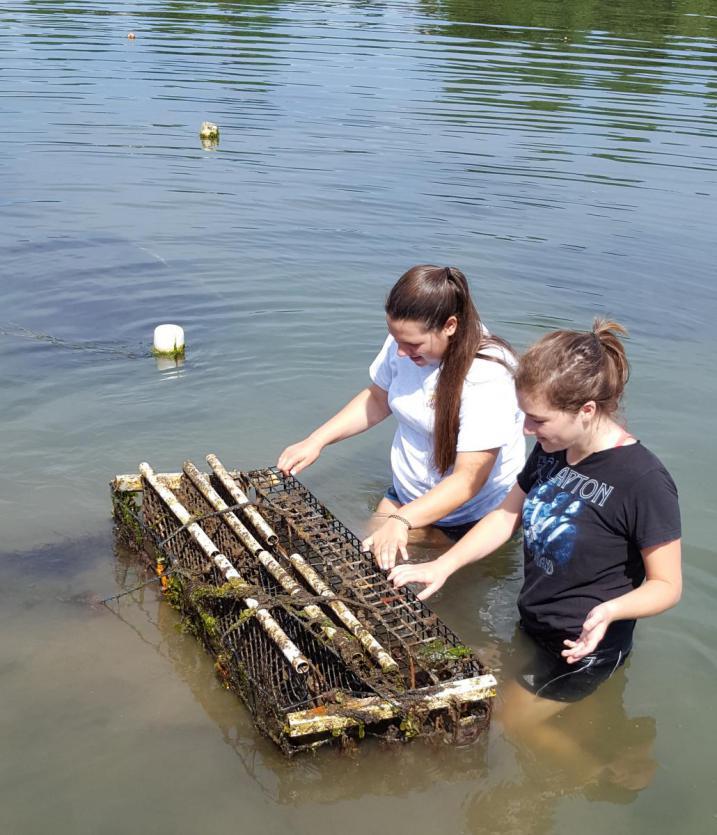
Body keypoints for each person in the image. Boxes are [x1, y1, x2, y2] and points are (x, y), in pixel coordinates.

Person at [390, 320, 682, 722]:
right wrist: (443, 564)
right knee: (498, 705)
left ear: (586, 410)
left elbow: (667, 586)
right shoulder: (553, 449)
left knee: (514, 725)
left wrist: (610, 611)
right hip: (534, 622)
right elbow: (506, 516)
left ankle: (605, 770)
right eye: (524, 415)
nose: (526, 430)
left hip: (589, 644)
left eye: (538, 420)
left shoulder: (643, 481)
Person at [277, 264, 525, 569]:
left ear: (450, 325)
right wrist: (316, 441)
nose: (401, 353)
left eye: (413, 344)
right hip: (405, 495)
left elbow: (466, 480)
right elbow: (378, 399)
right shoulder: (402, 343)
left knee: (385, 563)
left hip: (470, 514)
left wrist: (401, 520)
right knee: (367, 557)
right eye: (396, 339)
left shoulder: (489, 376)